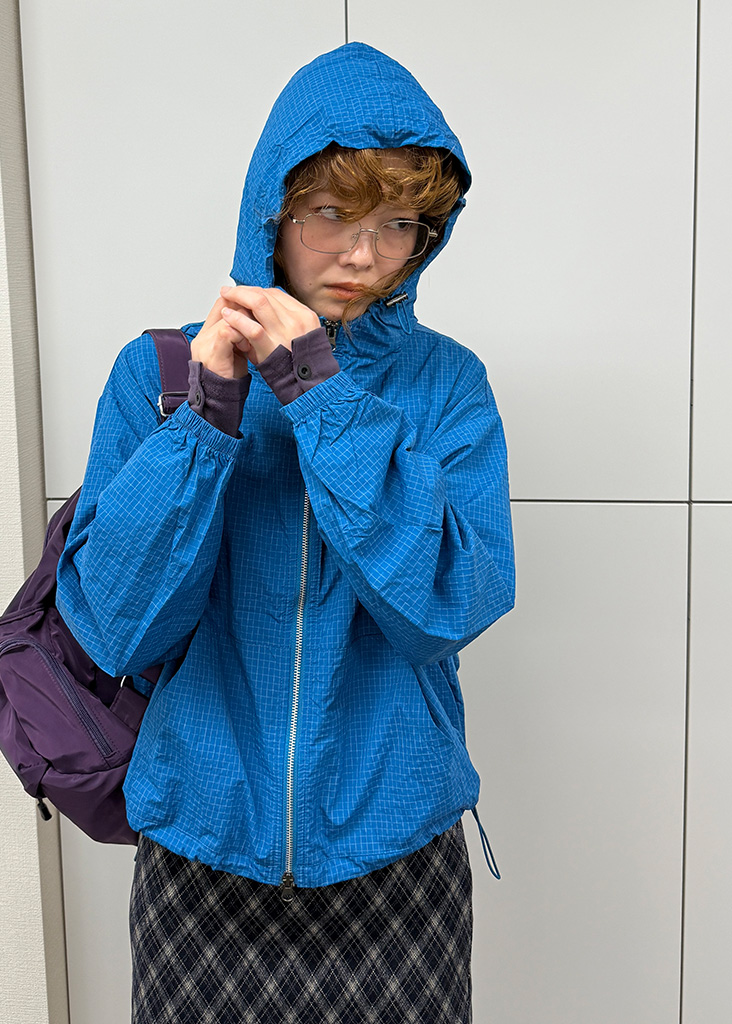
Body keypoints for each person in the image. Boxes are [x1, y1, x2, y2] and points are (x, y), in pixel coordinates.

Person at [57, 41, 515, 1024]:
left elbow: (448, 606)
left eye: (398, 224)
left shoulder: (446, 386)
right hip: (202, 851)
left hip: (396, 852)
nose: (364, 255)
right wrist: (208, 418)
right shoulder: (159, 376)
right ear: (271, 210)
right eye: (332, 214)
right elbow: (116, 627)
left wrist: (321, 396)